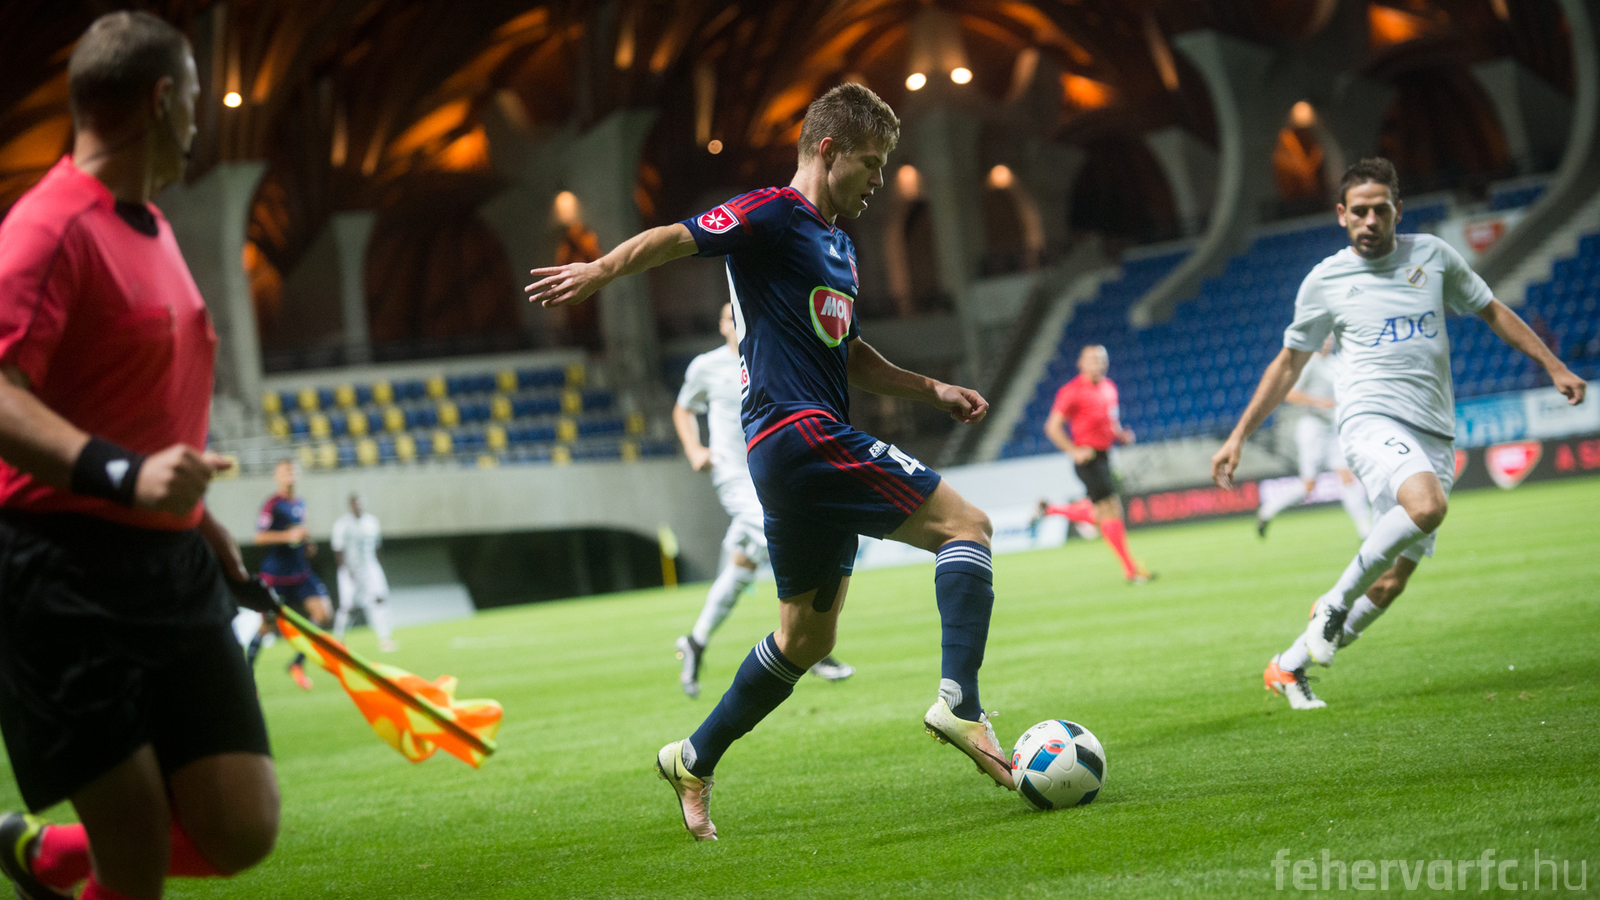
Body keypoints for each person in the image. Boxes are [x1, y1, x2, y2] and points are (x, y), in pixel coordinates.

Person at [528, 83, 1011, 841]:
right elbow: (675, 237)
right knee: (968, 527)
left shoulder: (839, 247)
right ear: (829, 149)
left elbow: (847, 351)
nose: (880, 180)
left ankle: (691, 758)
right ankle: (963, 706)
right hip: (799, 433)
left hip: (793, 456)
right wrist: (601, 270)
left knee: (807, 640)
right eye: (872, 163)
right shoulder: (772, 213)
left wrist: (931, 389)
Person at [0, 13, 279, 900]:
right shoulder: (47, 228)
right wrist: (126, 476)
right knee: (132, 860)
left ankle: (46, 858)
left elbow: (135, 400)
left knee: (242, 825)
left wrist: (194, 520)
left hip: (169, 561)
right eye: (194, 95)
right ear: (163, 101)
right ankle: (73, 862)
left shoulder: (151, 225)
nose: (199, 115)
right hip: (63, 573)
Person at [1212, 157, 1586, 710]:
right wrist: (1240, 434)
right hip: (1369, 419)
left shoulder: (1432, 257)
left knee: (1390, 583)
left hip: (1435, 430)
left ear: (1397, 211)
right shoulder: (1326, 280)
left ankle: (1288, 666)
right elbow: (1288, 364)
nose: (1370, 220)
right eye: (1359, 211)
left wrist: (1553, 365)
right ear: (1342, 214)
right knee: (1427, 505)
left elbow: (1493, 311)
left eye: (1380, 210)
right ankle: (1333, 602)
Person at [672, 303, 854, 698]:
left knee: (741, 567)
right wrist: (695, 450)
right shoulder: (707, 366)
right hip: (733, 474)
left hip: (769, 473)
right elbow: (683, 408)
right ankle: (811, 646)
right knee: (789, 539)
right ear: (722, 326)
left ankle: (695, 642)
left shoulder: (769, 356)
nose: (736, 322)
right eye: (729, 317)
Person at [1037, 345, 1153, 583]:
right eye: (1092, 359)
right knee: (1110, 512)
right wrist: (1074, 451)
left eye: (1101, 359)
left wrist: (1120, 436)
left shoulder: (1109, 388)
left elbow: (1110, 423)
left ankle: (1050, 510)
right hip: (1088, 458)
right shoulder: (1071, 391)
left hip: (1105, 456)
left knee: (1107, 514)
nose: (1098, 364)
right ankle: (1130, 570)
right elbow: (1052, 427)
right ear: (1081, 363)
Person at [1254, 335, 1372, 539]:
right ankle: (1268, 510)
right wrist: (1320, 402)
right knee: (1308, 486)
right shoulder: (1308, 364)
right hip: (1312, 428)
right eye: (1324, 338)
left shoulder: (1335, 362)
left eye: (1330, 339)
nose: (1328, 342)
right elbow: (1290, 394)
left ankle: (1365, 530)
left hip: (1333, 428)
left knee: (1346, 475)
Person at [248, 458, 332, 689]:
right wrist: (289, 536)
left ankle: (297, 664)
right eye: (286, 471)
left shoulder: (300, 503)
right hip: (276, 575)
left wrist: (306, 544)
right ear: (277, 476)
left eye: (293, 471)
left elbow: (298, 534)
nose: (290, 475)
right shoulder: (271, 504)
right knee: (266, 626)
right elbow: (259, 537)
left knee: (323, 613)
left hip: (300, 572)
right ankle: (246, 676)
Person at [330, 492, 397, 652]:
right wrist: (347, 571)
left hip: (371, 567)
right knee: (348, 607)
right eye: (355, 503)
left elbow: (377, 547)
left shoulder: (372, 522)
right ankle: (337, 640)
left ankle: (385, 639)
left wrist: (379, 568)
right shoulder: (342, 525)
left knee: (379, 600)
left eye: (360, 502)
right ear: (350, 506)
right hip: (350, 569)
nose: (358, 506)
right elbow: (338, 550)